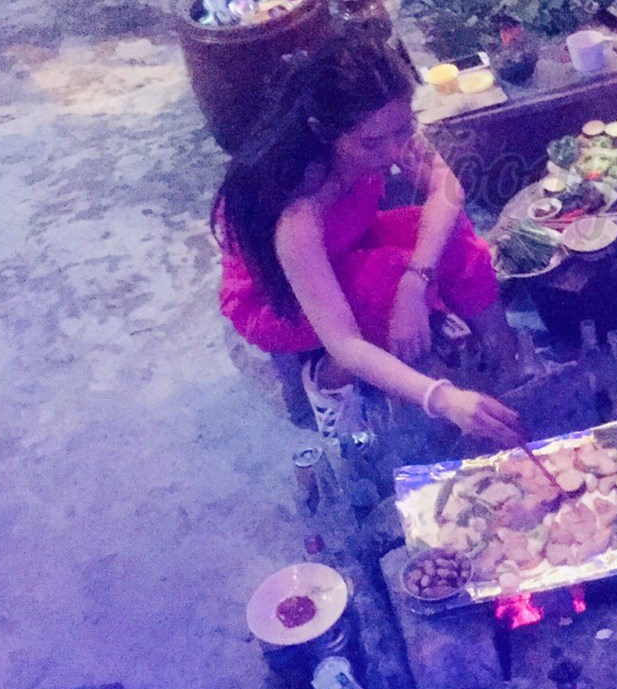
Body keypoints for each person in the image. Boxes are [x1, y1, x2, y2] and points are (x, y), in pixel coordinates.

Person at [212, 27, 526, 446]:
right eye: (372, 143)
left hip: (350, 240)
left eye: (402, 130)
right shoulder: (298, 211)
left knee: (449, 233)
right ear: (323, 131)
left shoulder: (386, 129)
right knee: (385, 279)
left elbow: (447, 190)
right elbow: (344, 342)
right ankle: (328, 390)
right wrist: (442, 398)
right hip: (279, 294)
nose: (393, 152)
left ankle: (506, 358)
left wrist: (416, 283)